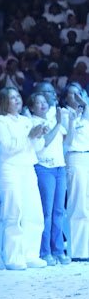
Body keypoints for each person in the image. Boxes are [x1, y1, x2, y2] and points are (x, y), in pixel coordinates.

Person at [0, 87, 47, 270]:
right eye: (12, 98)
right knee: (13, 212)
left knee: (34, 212)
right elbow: (6, 148)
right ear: (4, 102)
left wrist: (38, 136)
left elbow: (37, 148)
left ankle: (31, 254)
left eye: (18, 96)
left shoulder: (26, 120)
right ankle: (13, 257)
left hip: (28, 168)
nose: (17, 100)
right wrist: (29, 136)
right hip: (10, 169)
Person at [28, 91, 73, 266]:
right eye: (38, 103)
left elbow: (67, 141)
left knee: (59, 211)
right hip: (44, 168)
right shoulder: (33, 123)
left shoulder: (53, 120)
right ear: (32, 108)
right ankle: (45, 251)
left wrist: (69, 122)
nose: (43, 104)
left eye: (44, 102)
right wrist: (59, 123)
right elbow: (44, 143)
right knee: (46, 212)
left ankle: (58, 250)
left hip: (59, 167)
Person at [61, 83, 89, 261]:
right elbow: (68, 141)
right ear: (66, 98)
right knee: (77, 204)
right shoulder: (64, 114)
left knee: (86, 205)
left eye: (79, 93)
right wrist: (73, 120)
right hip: (75, 157)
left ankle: (86, 248)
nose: (76, 96)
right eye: (72, 94)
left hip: (87, 157)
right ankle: (77, 251)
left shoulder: (86, 114)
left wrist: (85, 105)